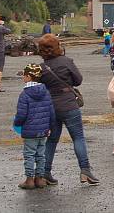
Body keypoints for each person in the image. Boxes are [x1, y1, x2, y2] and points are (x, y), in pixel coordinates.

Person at [38, 34, 99, 185]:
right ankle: (85, 170)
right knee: (78, 138)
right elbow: (78, 80)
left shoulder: (41, 68)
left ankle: (45, 172)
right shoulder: (66, 61)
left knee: (51, 140)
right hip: (69, 105)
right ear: (58, 47)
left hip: (51, 106)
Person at [14, 63, 56, 190]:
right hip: (43, 130)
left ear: (28, 76)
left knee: (29, 155)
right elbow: (51, 112)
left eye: (24, 75)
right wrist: (51, 126)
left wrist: (17, 123)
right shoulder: (46, 92)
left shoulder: (25, 94)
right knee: (41, 154)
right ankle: (40, 178)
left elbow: (21, 114)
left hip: (30, 130)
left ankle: (29, 179)